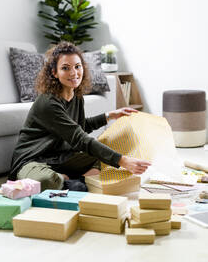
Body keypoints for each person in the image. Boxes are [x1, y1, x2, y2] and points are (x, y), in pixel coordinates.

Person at [8, 42, 151, 191]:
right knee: (46, 180)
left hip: (61, 158)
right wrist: (123, 161)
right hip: (33, 160)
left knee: (103, 154)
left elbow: (79, 127)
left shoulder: (76, 96)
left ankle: (77, 181)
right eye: (65, 68)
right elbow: (79, 138)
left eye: (77, 66)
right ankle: (67, 180)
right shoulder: (48, 103)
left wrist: (109, 115)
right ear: (54, 73)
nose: (74, 73)